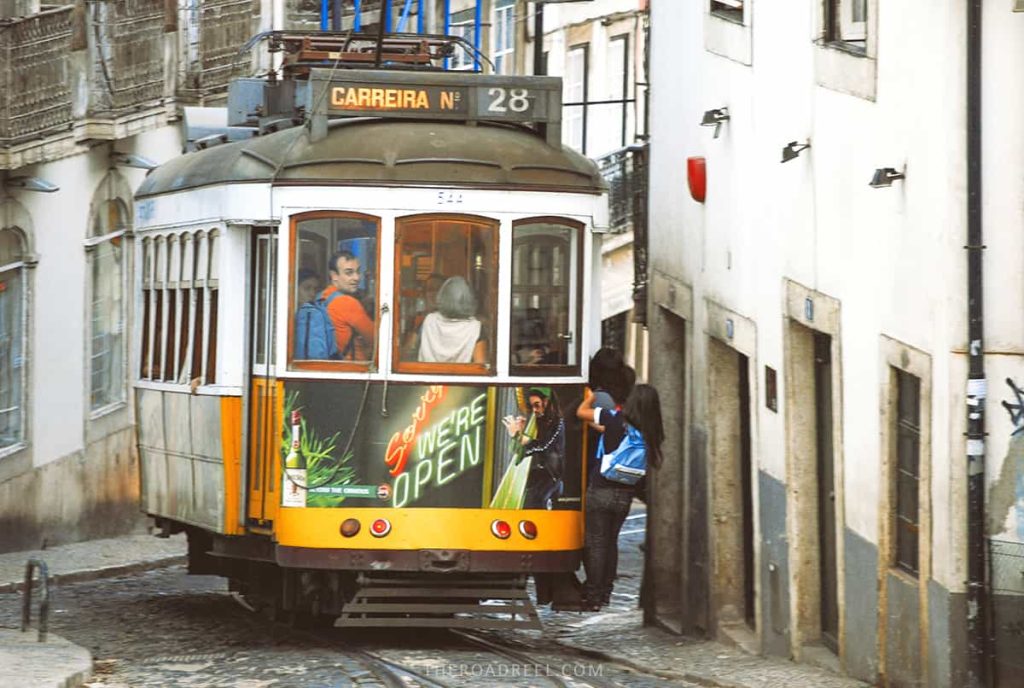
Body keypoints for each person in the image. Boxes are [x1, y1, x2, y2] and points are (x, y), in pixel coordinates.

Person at [576, 383, 664, 610]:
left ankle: (593, 596)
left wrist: (591, 396)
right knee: (610, 542)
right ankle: (605, 593)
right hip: (624, 494)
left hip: (601, 489)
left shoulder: (613, 418)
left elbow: (581, 412)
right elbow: (606, 432)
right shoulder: (649, 431)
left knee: (596, 543)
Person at [503, 387, 565, 509]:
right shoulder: (537, 421)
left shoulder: (558, 423)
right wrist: (517, 435)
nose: (534, 410)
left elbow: (544, 446)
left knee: (535, 502)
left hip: (550, 476)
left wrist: (519, 437)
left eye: (537, 405)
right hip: (537, 476)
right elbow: (517, 453)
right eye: (532, 406)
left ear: (546, 402)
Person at [417, 276, 487, 364]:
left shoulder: (429, 320)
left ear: (441, 296)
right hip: (461, 377)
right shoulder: (476, 327)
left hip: (427, 376)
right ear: (469, 298)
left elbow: (408, 350)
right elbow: (480, 364)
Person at [322, 250, 374, 360]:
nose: (357, 278)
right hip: (351, 369)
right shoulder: (347, 303)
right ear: (334, 276)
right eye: (349, 273)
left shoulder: (322, 297)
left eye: (358, 271)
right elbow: (376, 339)